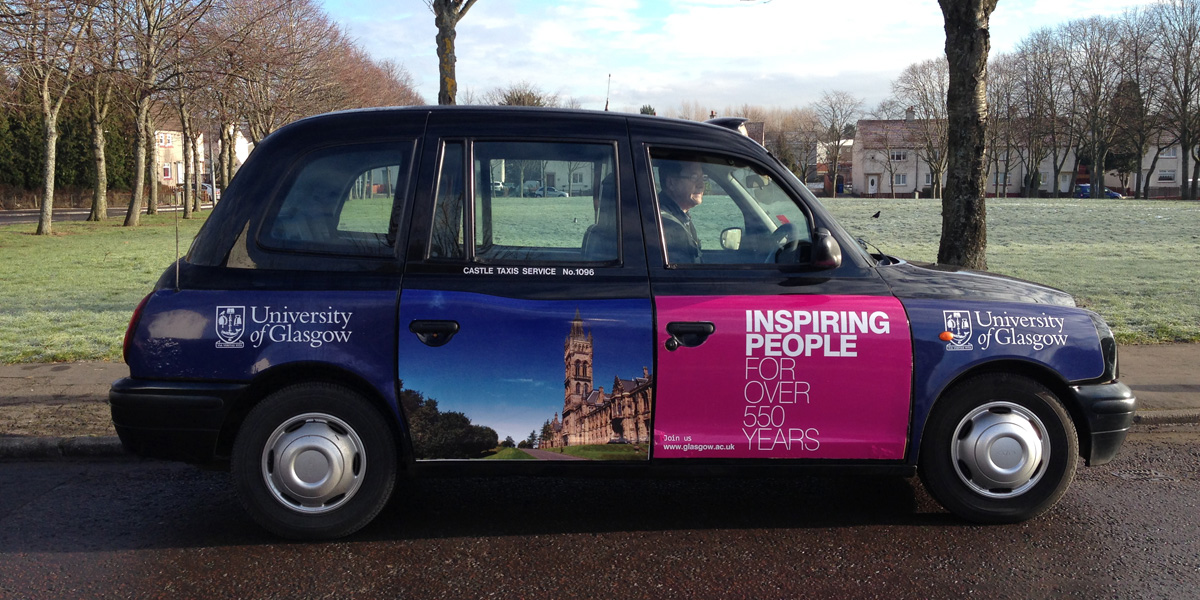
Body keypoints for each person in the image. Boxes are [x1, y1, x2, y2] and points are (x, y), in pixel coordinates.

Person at [657, 159, 706, 263]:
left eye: (703, 178)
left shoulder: (679, 216)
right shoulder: (667, 223)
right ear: (671, 183)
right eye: (694, 177)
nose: (701, 185)